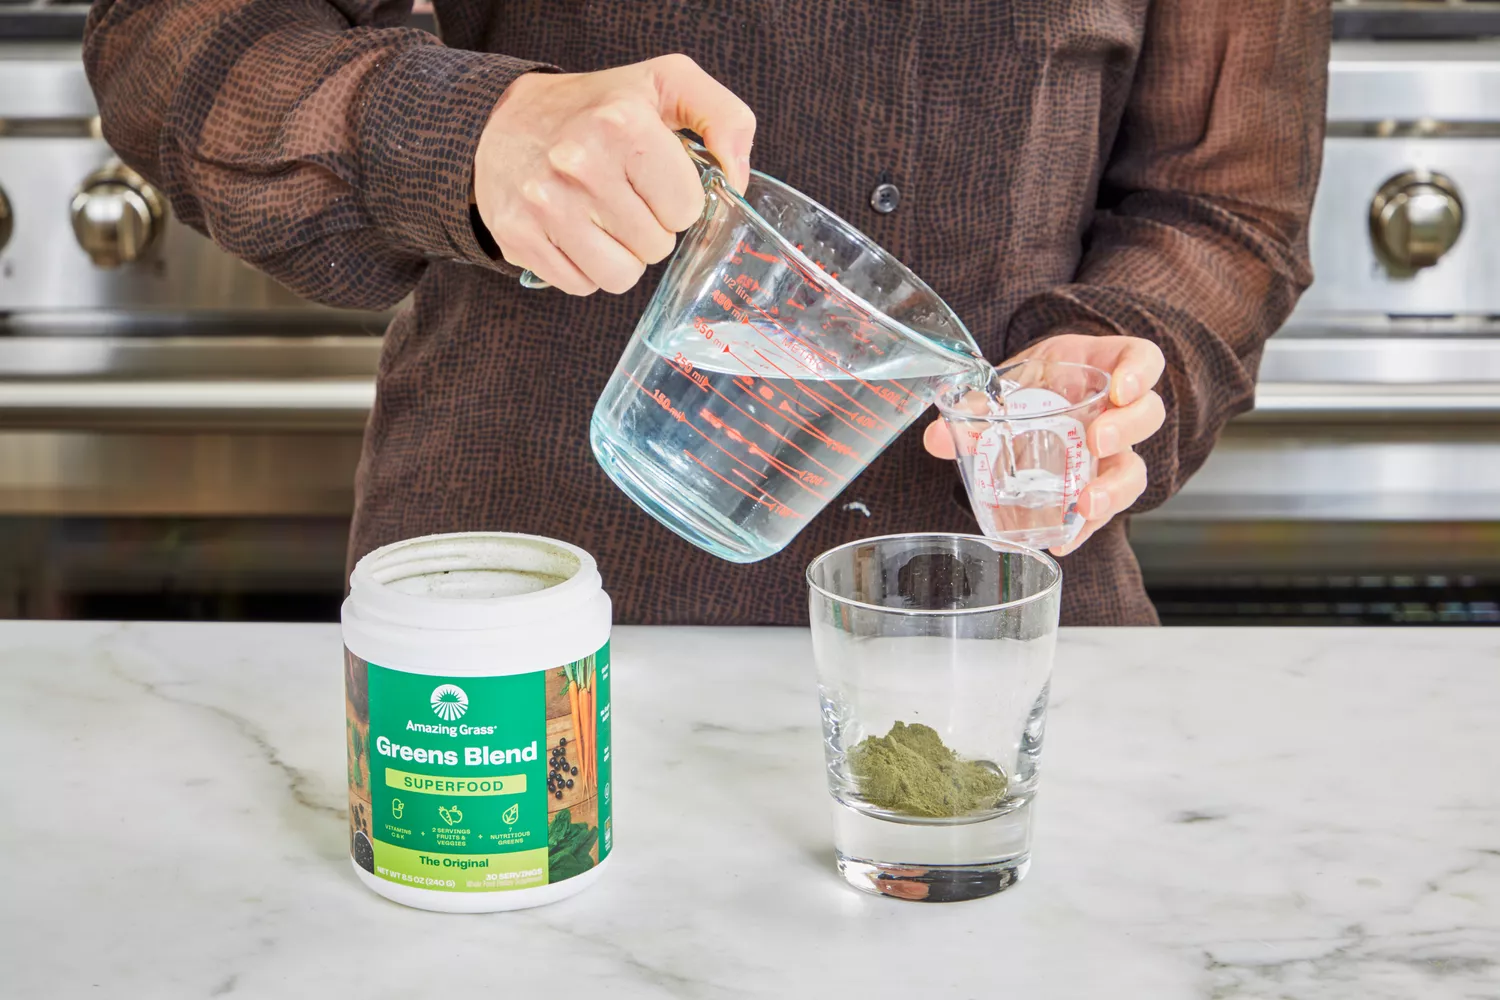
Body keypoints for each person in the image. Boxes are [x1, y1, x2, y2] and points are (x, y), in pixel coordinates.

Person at [83, 1, 1329, 626]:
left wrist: (1115, 372)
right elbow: (169, 37)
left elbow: (1224, 202)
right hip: (521, 639)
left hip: (993, 653)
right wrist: (465, 133)